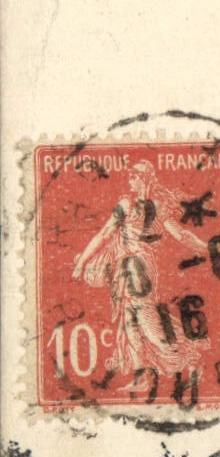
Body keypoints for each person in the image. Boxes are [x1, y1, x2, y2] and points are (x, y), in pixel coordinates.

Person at [72, 161, 209, 379]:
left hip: (136, 269)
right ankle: (141, 375)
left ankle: (187, 358)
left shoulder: (133, 205)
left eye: (134, 176)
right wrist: (205, 248)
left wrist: (82, 263)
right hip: (132, 268)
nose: (130, 180)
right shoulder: (147, 205)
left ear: (144, 179)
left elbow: (105, 234)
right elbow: (181, 235)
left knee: (147, 323)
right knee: (130, 321)